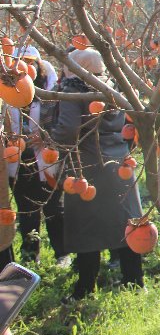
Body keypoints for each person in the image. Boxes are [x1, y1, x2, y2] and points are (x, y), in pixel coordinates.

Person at [50, 48, 144, 301]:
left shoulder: (74, 89)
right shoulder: (113, 86)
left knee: (86, 228)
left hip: (88, 164)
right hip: (119, 162)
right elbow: (131, 123)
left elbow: (69, 129)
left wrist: (49, 139)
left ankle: (85, 288)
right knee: (126, 223)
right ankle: (134, 281)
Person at [6, 45, 68, 267]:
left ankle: (62, 253)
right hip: (21, 160)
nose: (27, 67)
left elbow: (61, 124)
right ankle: (31, 254)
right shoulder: (9, 92)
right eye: (23, 63)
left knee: (53, 208)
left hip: (47, 159)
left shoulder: (49, 92)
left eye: (31, 62)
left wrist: (46, 139)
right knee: (26, 209)